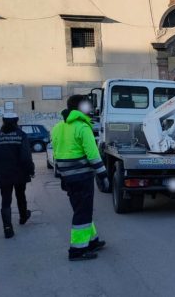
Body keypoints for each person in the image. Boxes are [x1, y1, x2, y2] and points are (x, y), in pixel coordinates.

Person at [52, 95, 108, 261]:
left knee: (81, 210)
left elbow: (56, 154)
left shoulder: (57, 127)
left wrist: (62, 176)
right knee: (82, 213)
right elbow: (93, 154)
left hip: (68, 178)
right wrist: (103, 175)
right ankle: (77, 251)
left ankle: (91, 241)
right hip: (82, 177)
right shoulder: (83, 127)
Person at [0, 113, 35, 238]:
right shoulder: (21, 135)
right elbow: (26, 156)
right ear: (16, 121)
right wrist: (31, 170)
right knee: (21, 195)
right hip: (19, 172)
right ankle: (23, 217)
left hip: (2, 173)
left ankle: (7, 228)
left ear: (3, 121)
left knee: (6, 200)